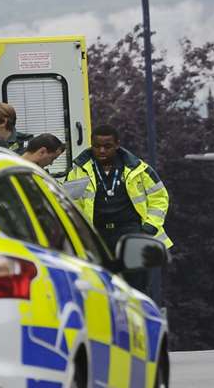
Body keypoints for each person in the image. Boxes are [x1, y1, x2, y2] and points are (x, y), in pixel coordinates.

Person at [67, 124, 171, 301]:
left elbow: (159, 198)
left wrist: (148, 228)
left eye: (107, 146)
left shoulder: (138, 169)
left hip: (129, 232)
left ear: (117, 145)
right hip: (96, 235)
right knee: (99, 287)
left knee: (136, 288)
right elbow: (70, 203)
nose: (101, 150)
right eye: (96, 146)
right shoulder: (78, 170)